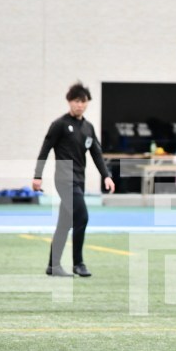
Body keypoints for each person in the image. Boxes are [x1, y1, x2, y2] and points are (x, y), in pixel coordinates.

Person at [33, 82, 116, 277]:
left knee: (65, 223)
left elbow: (96, 153)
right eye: (76, 101)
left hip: (79, 180)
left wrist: (106, 176)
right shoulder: (60, 125)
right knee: (82, 217)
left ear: (87, 103)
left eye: (83, 101)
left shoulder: (88, 127)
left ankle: (53, 266)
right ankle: (78, 263)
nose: (80, 105)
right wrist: (38, 175)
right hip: (64, 179)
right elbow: (45, 150)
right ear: (69, 102)